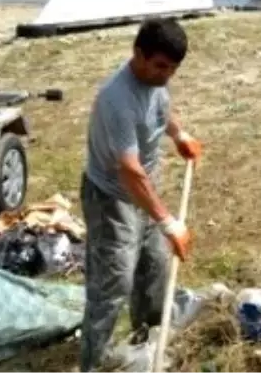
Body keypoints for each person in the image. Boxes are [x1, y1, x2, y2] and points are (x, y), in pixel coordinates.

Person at [80, 18, 203, 372]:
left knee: (155, 268)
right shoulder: (117, 99)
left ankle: (147, 337)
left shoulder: (156, 80)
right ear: (138, 55)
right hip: (112, 198)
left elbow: (162, 107)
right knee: (114, 282)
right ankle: (96, 362)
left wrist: (180, 136)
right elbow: (130, 171)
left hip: (144, 189)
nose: (168, 75)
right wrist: (167, 222)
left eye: (174, 69)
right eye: (161, 66)